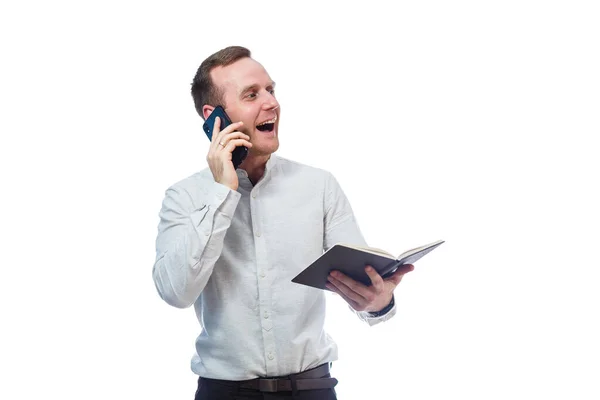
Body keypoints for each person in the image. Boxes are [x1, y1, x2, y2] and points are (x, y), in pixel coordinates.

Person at [152, 46, 414, 400]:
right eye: (251, 94)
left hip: (313, 389)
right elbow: (175, 292)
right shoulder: (183, 197)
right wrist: (223, 192)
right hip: (224, 393)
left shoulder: (318, 185)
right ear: (215, 118)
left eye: (271, 90)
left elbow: (362, 282)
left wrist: (377, 302)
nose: (271, 103)